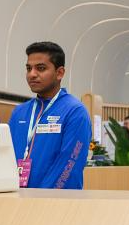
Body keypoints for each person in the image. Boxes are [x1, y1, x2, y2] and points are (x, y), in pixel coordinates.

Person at [8, 41, 91, 189]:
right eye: (29, 68)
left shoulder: (75, 112)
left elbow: (69, 165)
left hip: (56, 199)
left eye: (40, 68)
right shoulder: (19, 112)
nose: (32, 74)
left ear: (59, 73)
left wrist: (43, 197)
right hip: (17, 198)